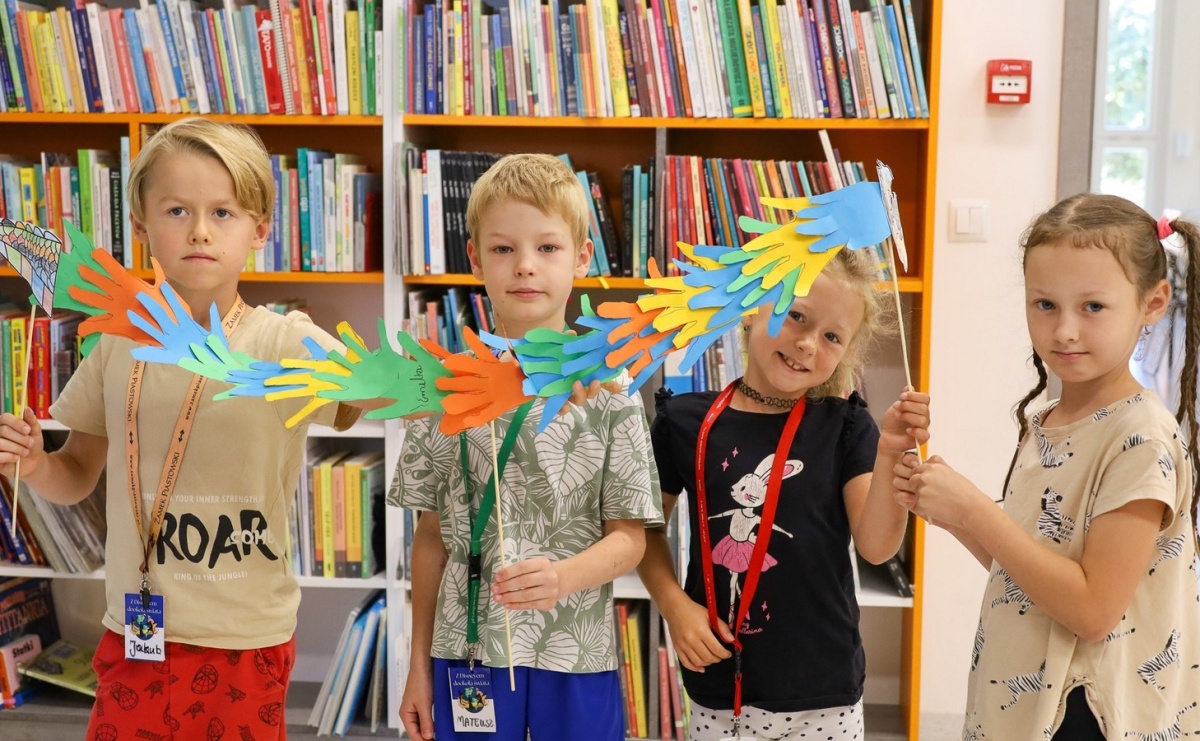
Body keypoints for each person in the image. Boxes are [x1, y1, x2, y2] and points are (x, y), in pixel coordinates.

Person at [0, 118, 361, 740]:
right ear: (142, 230)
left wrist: (395, 380)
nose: (199, 229)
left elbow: (376, 393)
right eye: (176, 210)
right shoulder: (116, 344)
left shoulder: (283, 340)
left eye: (223, 212)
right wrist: (33, 464)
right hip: (136, 633)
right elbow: (76, 475)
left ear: (261, 228)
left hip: (244, 638)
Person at [895, 194, 1200, 739]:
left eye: (1093, 307)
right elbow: (1031, 563)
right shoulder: (1051, 418)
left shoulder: (1140, 436)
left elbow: (1092, 610)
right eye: (1045, 305)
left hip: (1085, 712)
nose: (1063, 331)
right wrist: (953, 514)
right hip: (1024, 695)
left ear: (1152, 303)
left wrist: (974, 511)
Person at [391, 153, 663, 741]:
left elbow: (631, 539)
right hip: (466, 655)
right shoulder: (445, 388)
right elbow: (432, 537)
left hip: (576, 655)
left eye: (547, 248)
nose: (524, 267)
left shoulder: (612, 392)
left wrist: (565, 577)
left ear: (582, 257)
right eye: (503, 249)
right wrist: (416, 666)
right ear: (476, 259)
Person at [640, 246, 931, 740]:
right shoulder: (684, 421)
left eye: (832, 336)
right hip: (717, 686)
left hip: (824, 690)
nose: (808, 344)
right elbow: (643, 529)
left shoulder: (846, 426)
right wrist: (675, 605)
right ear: (754, 307)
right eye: (797, 316)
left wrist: (890, 456)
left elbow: (877, 547)